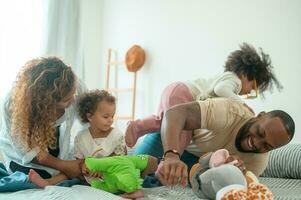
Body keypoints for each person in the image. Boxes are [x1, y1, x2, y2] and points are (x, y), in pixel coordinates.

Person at [125, 43, 283, 150]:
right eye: (253, 87)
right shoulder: (234, 81)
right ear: (245, 74)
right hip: (184, 93)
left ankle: (137, 126)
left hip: (174, 89)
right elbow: (221, 90)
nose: (248, 93)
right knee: (183, 136)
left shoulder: (227, 78)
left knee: (162, 122)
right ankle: (170, 164)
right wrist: (241, 104)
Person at [152, 98, 294, 187]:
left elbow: (235, 189)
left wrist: (237, 174)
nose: (257, 143)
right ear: (259, 116)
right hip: (170, 140)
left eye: (266, 146)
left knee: (151, 183)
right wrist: (171, 155)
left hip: (197, 165)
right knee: (135, 169)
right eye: (260, 132)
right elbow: (175, 113)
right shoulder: (229, 112)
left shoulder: (258, 162)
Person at [0, 57, 87, 190]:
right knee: (32, 178)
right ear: (45, 104)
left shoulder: (74, 85)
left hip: (54, 143)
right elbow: (28, 152)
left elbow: (91, 120)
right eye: (66, 100)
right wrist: (65, 166)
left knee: (81, 169)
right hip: (22, 154)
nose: (73, 100)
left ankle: (54, 179)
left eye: (73, 94)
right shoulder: (12, 105)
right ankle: (51, 181)